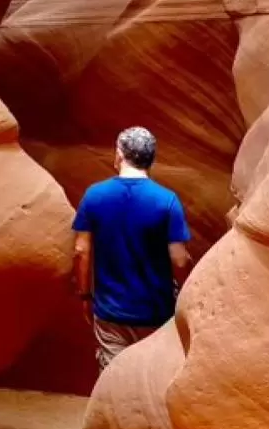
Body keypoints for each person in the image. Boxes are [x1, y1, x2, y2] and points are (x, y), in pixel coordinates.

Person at [71, 126, 191, 371]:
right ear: (151, 159)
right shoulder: (167, 200)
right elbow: (179, 260)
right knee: (152, 380)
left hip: (110, 313)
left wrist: (84, 295)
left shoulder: (95, 196)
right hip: (156, 314)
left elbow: (81, 250)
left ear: (119, 154)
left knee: (113, 384)